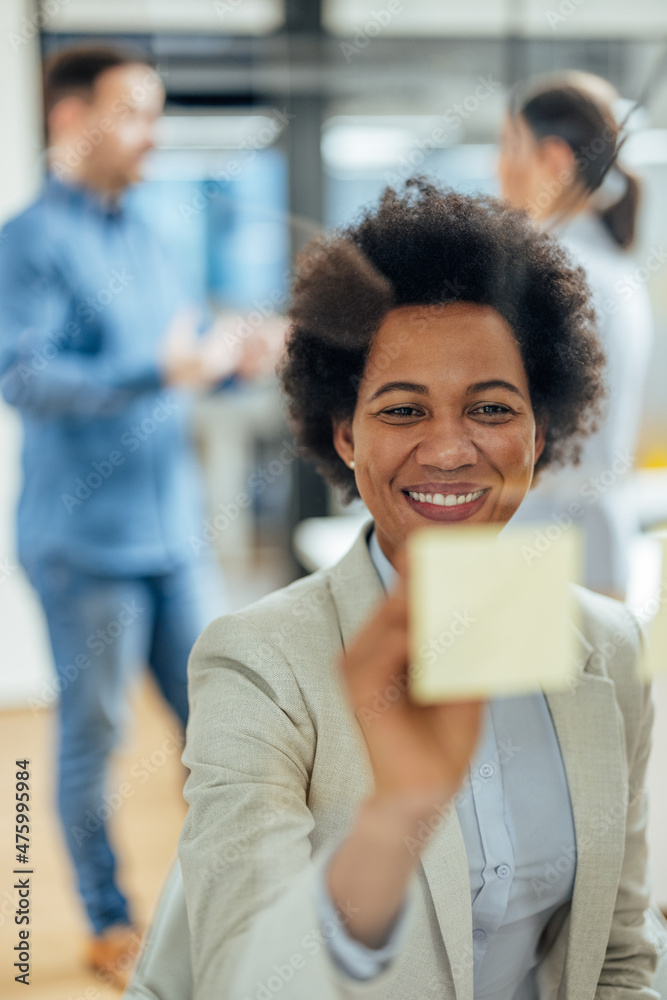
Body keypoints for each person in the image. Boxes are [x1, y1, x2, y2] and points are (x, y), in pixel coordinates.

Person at [126, 179, 667, 1000]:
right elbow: (244, 978)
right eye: (403, 411)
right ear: (344, 434)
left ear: (538, 431)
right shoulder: (258, 666)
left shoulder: (608, 647)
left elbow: (619, 956)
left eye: (489, 407)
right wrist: (395, 816)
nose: (449, 450)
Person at [0, 44, 247, 987]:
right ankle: (108, 921)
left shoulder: (150, 233)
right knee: (92, 738)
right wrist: (156, 371)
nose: (153, 134)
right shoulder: (28, 240)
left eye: (157, 113)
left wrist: (232, 355)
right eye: (134, 113)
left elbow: (183, 352)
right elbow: (22, 377)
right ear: (71, 120)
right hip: (84, 546)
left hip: (174, 537)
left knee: (228, 728)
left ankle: (229, 907)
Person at [498, 71, 654, 600]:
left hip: (540, 545)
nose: (497, 167)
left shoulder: (554, 271)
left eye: (508, 146)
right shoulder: (615, 266)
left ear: (556, 161)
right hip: (600, 539)